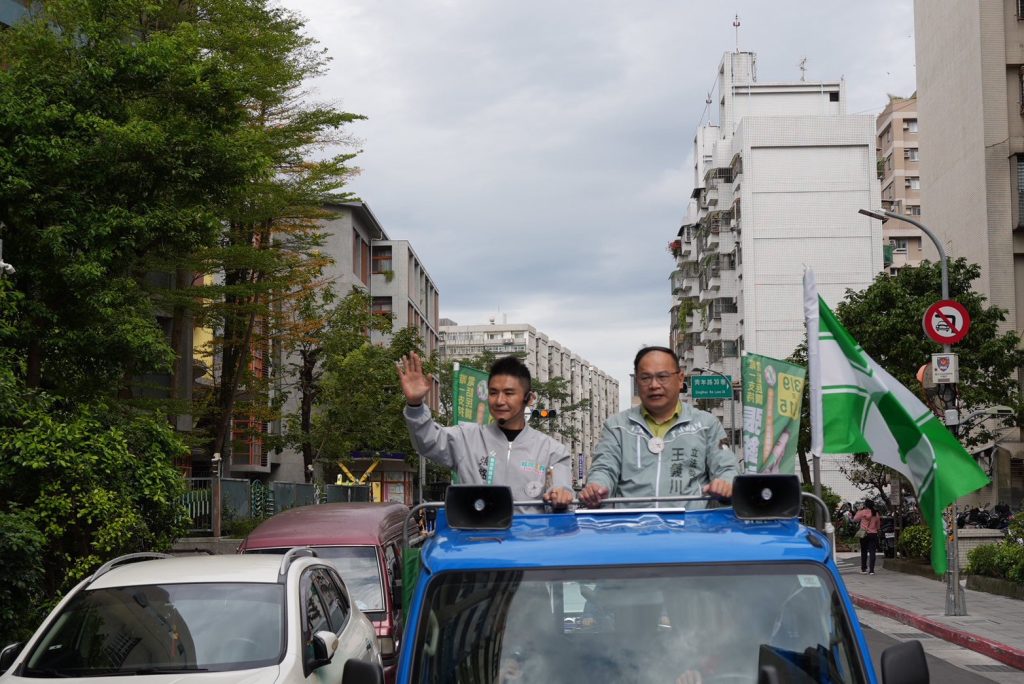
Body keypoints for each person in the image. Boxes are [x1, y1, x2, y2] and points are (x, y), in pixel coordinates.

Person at [396, 352, 573, 509]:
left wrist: (561, 495)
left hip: (529, 541)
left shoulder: (552, 451)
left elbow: (561, 489)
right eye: (493, 392)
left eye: (509, 393)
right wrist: (415, 405)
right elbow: (427, 442)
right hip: (476, 541)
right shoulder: (466, 437)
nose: (499, 401)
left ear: (529, 398)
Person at [579, 346, 736, 508]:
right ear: (637, 381)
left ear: (680, 379)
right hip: (629, 527)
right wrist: (596, 486)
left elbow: (726, 467)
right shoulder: (616, 426)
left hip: (691, 527)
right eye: (645, 378)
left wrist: (725, 483)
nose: (654, 385)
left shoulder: (706, 424)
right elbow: (604, 468)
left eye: (662, 376)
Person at [853, 499, 881, 574]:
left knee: (864, 551)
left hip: (864, 534)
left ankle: (864, 569)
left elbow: (855, 519)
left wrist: (858, 510)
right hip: (873, 534)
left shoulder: (862, 512)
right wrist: (877, 530)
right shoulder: (876, 513)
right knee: (872, 552)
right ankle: (871, 570)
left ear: (865, 505)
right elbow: (878, 525)